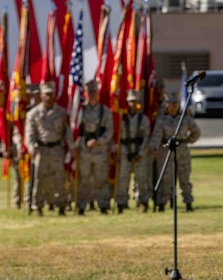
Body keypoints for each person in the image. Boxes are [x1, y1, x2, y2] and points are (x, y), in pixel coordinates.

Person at [25, 81, 73, 216]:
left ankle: (61, 205)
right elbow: (29, 132)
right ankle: (38, 206)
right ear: (41, 95)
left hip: (57, 150)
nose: (49, 97)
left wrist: (71, 147)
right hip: (41, 150)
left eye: (51, 94)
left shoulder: (61, 112)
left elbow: (67, 131)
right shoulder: (33, 114)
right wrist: (31, 147)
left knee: (59, 179)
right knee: (40, 180)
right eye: (46, 94)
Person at [149, 90, 201, 212]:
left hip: (182, 151)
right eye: (171, 104)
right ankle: (162, 204)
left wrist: (187, 141)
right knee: (166, 179)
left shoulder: (185, 118)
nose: (173, 106)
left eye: (175, 104)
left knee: (184, 179)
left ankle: (188, 203)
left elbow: (196, 132)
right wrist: (154, 148)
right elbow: (156, 136)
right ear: (166, 104)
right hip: (167, 152)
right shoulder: (162, 119)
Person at [76, 80, 114, 215]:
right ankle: (81, 206)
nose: (91, 95)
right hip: (85, 151)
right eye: (89, 92)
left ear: (98, 93)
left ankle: (103, 206)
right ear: (85, 93)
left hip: (100, 151)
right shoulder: (80, 111)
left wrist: (99, 141)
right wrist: (83, 143)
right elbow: (75, 131)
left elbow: (109, 131)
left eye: (94, 92)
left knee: (101, 180)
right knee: (84, 180)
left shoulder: (105, 111)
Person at [115, 89, 152, 213]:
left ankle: (143, 202)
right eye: (130, 102)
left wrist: (140, 153)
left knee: (142, 179)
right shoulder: (122, 119)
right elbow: (119, 138)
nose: (132, 104)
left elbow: (146, 137)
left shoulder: (143, 119)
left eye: (134, 102)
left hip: (139, 153)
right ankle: (121, 202)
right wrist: (123, 153)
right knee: (123, 179)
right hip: (125, 153)